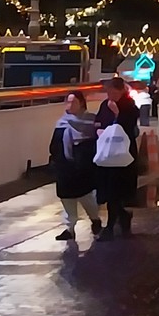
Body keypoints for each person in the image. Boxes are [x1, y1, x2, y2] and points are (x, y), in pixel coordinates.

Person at [94, 74, 142, 238]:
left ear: (121, 91)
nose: (111, 96)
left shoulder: (129, 106)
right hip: (107, 154)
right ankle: (121, 219)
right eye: (109, 92)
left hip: (123, 154)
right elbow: (99, 121)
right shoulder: (104, 105)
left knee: (118, 190)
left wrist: (117, 115)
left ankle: (112, 226)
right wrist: (98, 130)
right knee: (111, 190)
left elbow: (129, 127)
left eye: (114, 92)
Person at [50, 90, 102, 243]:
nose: (70, 105)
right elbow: (55, 144)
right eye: (68, 102)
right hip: (65, 166)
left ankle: (95, 220)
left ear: (81, 103)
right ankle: (70, 228)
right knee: (66, 198)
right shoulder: (62, 123)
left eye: (73, 102)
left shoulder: (91, 122)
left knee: (86, 196)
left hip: (83, 166)